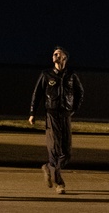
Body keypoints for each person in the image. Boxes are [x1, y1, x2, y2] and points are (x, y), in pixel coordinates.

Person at [28, 46, 84, 194]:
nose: (55, 56)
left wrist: (73, 109)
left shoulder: (71, 75)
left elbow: (80, 92)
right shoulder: (46, 74)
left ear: (64, 57)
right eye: (54, 54)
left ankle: (48, 167)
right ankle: (59, 183)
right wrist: (32, 112)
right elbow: (37, 93)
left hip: (65, 116)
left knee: (67, 153)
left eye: (58, 54)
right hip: (51, 115)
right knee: (54, 150)